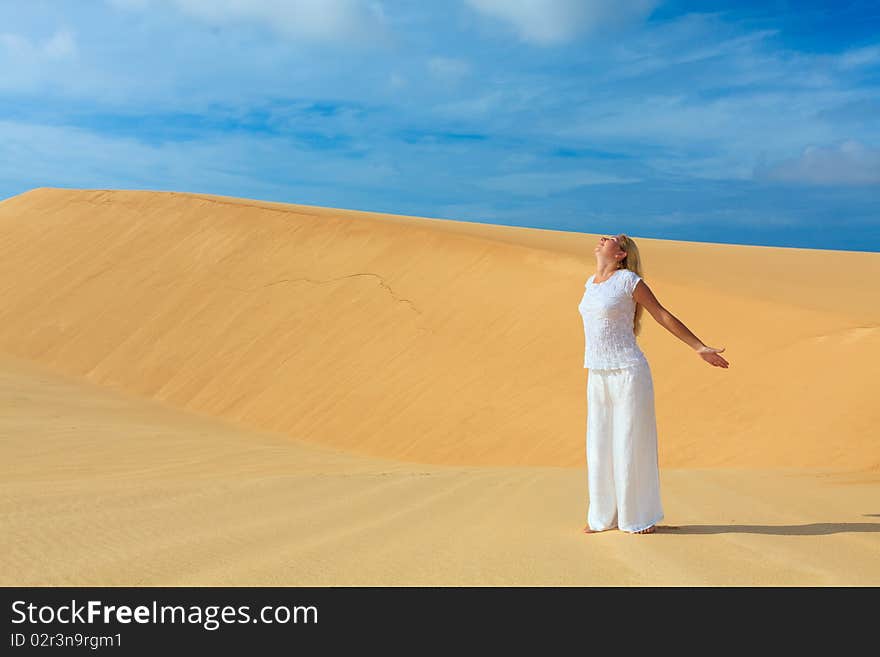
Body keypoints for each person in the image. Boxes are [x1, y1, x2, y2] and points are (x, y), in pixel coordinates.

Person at [578, 234, 729, 535]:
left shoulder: (629, 281)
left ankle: (638, 516)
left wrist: (699, 347)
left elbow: (661, 314)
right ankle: (602, 517)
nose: (602, 239)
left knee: (629, 442)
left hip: (628, 372)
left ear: (621, 254)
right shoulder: (589, 284)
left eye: (610, 239)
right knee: (599, 445)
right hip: (597, 372)